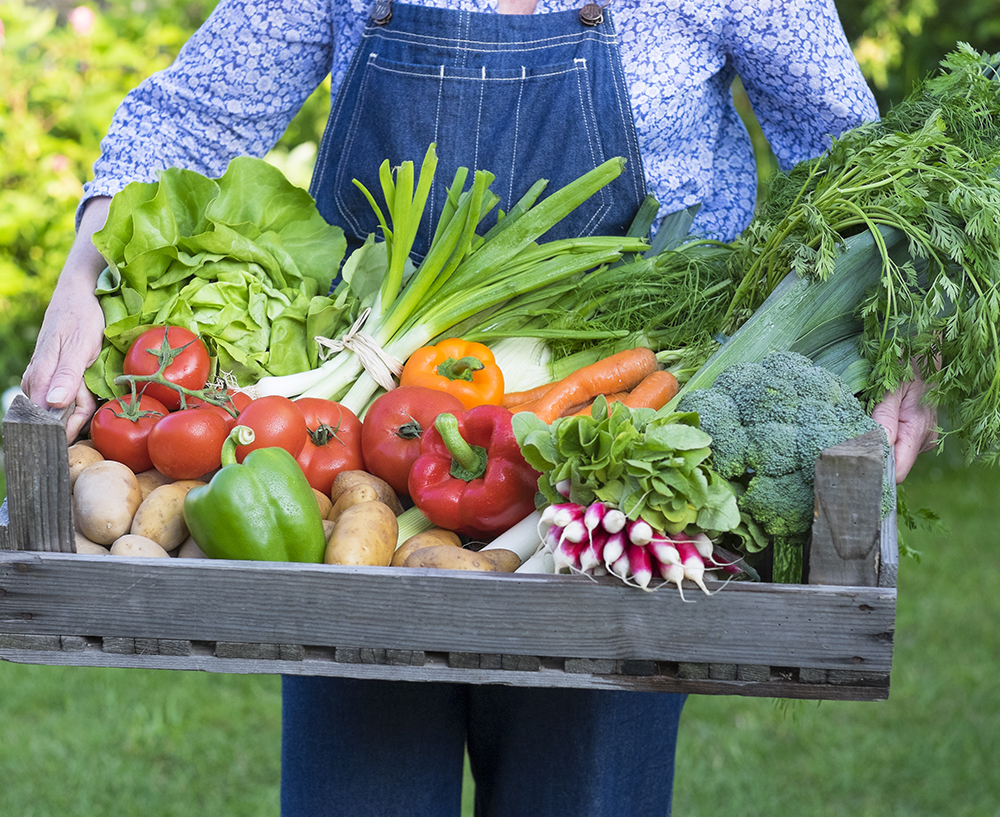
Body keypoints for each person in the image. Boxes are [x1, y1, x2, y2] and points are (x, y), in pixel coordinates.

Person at [19, 1, 937, 815]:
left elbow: (846, 150)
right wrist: (83, 274)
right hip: (377, 464)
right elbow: (194, 113)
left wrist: (907, 337)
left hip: (622, 473)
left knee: (582, 788)